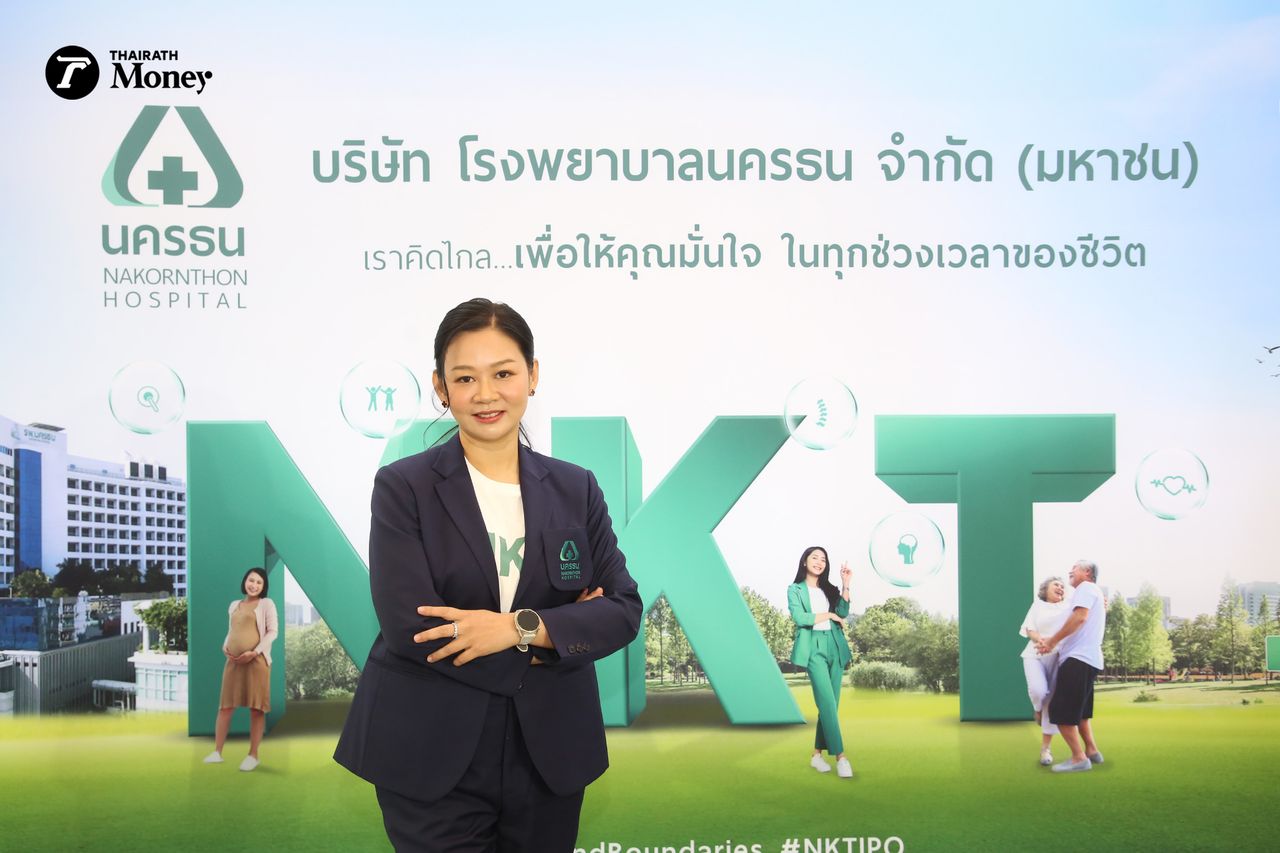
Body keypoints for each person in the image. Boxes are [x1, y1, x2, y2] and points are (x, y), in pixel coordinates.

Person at [334, 298, 643, 852]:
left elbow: (621, 610)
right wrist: (558, 632)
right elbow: (413, 628)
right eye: (464, 378)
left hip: (550, 752)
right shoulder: (404, 487)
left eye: (503, 373)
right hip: (430, 750)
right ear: (440, 387)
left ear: (532, 376)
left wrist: (515, 628)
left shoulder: (576, 488)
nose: (485, 394)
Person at [787, 546, 854, 778]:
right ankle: (841, 757)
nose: (819, 562)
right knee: (826, 703)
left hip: (834, 644)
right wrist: (829, 615)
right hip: (813, 647)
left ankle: (816, 755)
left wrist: (846, 584)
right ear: (804, 562)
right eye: (814, 557)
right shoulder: (795, 589)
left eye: (823, 559)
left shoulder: (829, 589)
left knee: (830, 705)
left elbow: (842, 612)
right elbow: (800, 618)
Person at [203, 566, 278, 772]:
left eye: (259, 582)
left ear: (263, 587)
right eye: (251, 580)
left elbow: (273, 632)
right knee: (225, 707)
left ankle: (253, 756)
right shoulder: (234, 605)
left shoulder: (266, 604)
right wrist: (225, 646)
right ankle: (217, 752)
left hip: (257, 663)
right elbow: (232, 630)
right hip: (233, 662)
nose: (254, 585)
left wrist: (254, 652)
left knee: (256, 708)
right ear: (245, 581)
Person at [1037, 560, 1106, 773]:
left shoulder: (1085, 588)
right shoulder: (1091, 592)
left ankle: (1079, 758)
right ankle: (1092, 751)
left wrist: (1052, 641)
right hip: (1089, 659)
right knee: (1081, 712)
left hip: (1078, 659)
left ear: (1087, 572)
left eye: (1075, 567)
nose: (1070, 570)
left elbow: (1080, 617)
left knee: (1060, 711)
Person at [1019, 576, 1070, 765]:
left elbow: (1082, 616)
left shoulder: (1068, 606)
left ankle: (1045, 750)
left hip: (1058, 657)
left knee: (1051, 702)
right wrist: (1042, 641)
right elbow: (1029, 629)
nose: (1060, 587)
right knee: (1038, 691)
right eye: (1056, 584)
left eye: (1063, 586)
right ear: (1045, 589)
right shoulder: (1037, 606)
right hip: (1034, 653)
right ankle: (1037, 709)